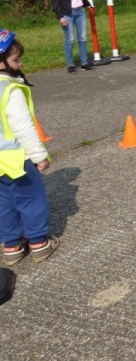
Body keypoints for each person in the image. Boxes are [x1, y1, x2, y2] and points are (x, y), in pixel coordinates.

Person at [0, 29, 59, 267]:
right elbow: (23, 128)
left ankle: (11, 247)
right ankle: (38, 243)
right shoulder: (10, 90)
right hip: (17, 160)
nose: (20, 64)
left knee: (4, 203)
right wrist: (39, 156)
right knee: (31, 200)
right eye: (16, 60)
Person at [48, 0, 92, 73]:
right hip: (67, 13)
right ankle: (71, 64)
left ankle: (84, 63)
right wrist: (60, 16)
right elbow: (55, 1)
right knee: (70, 39)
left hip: (80, 11)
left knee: (82, 38)